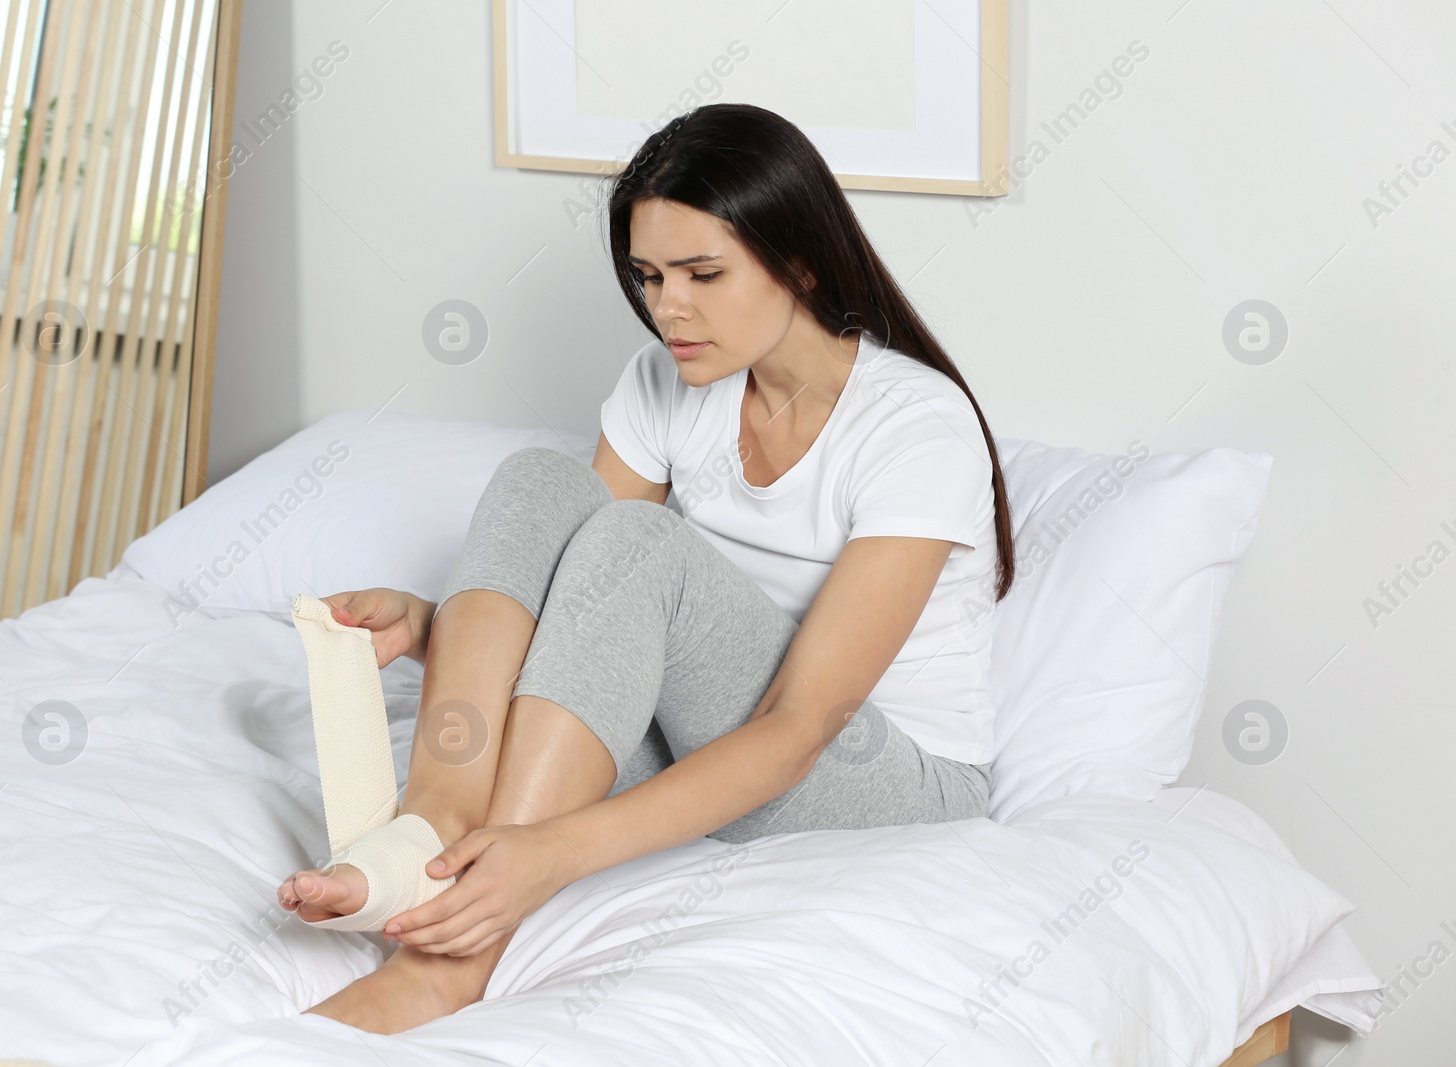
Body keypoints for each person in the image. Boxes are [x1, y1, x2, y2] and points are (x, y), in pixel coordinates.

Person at [276, 102, 1016, 1035]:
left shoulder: (916, 427)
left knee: (642, 542)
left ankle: (452, 959)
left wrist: (551, 853)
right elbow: (582, 601)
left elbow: (794, 725)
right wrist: (437, 625)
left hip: (881, 769)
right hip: (714, 723)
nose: (670, 308)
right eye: (650, 275)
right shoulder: (666, 380)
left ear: (798, 259)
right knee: (542, 482)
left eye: (704, 274)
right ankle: (437, 826)